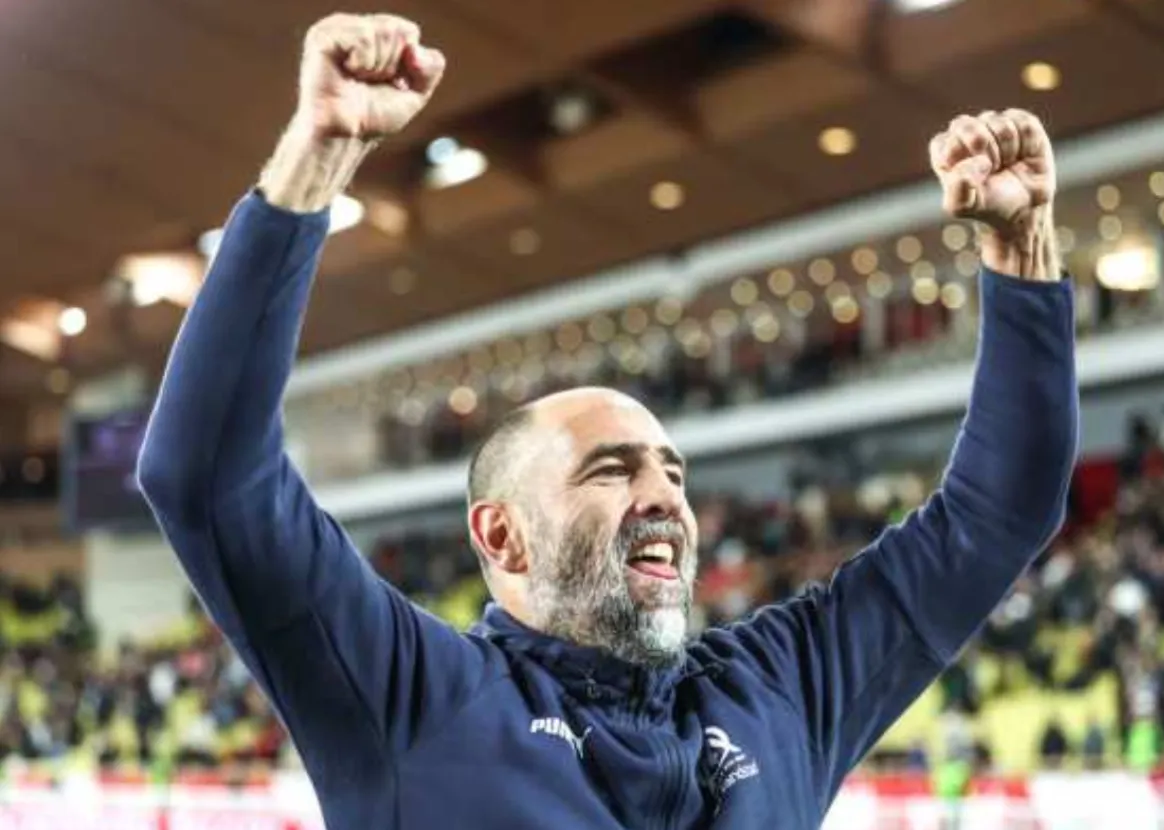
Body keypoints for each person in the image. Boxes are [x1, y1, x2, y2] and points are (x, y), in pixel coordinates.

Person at [137, 12, 1079, 830]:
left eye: (672, 471)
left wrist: (1022, 246)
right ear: (500, 535)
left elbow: (1000, 511)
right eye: (611, 469)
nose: (664, 495)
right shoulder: (413, 697)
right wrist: (320, 156)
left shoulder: (779, 690)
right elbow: (204, 475)